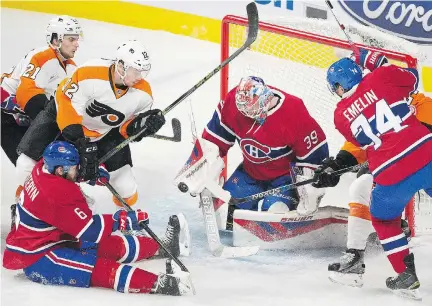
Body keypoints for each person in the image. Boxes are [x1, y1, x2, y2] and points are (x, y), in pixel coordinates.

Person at [313, 48, 432, 299]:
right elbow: (410, 77)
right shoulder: (384, 77)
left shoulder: (340, 114)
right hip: (425, 153)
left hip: (392, 170)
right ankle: (355, 256)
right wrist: (336, 165)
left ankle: (405, 272)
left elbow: (363, 137)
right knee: (360, 189)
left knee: (383, 218)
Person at [3, 141, 192, 296]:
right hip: (39, 256)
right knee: (101, 269)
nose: (76, 171)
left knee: (110, 245)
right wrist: (122, 220)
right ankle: (162, 284)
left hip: (55, 237)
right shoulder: (55, 194)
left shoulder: (43, 168)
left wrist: (86, 175)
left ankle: (163, 246)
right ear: (60, 170)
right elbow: (91, 230)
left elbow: (66, 181)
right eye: (74, 169)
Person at [14, 40, 166, 208]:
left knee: (126, 186)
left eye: (143, 72)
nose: (139, 77)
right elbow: (67, 104)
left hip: (103, 132)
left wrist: (143, 126)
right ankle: (23, 209)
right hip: (60, 119)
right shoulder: (90, 73)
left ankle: (125, 223)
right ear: (121, 66)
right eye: (136, 71)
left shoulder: (144, 94)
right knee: (25, 165)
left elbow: (125, 127)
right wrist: (81, 143)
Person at [176, 76, 329, 229]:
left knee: (274, 214)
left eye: (250, 108)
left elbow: (314, 154)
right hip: (250, 173)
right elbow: (213, 141)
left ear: (264, 98)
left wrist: (309, 190)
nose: (246, 112)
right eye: (243, 108)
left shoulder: (293, 110)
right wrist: (201, 171)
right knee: (224, 214)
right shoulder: (233, 104)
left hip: (284, 178)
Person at [1, 15, 82, 167]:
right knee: (30, 168)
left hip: (26, 119)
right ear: (56, 40)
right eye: (72, 39)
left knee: (49, 167)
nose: (77, 44)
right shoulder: (43, 57)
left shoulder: (71, 67)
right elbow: (26, 94)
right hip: (7, 119)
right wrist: (57, 126)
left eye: (77, 39)